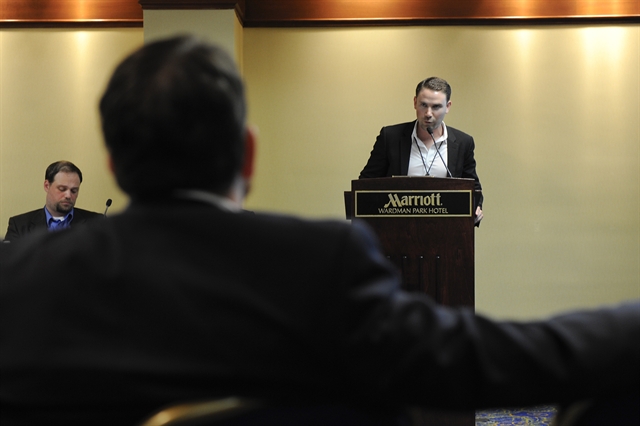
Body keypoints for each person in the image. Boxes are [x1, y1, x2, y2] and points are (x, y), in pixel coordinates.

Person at [0, 36, 638, 426]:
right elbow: (486, 361)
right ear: (248, 155)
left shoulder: (18, 277)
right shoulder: (324, 262)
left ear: (112, 163)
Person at [359, 77, 484, 224]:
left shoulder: (463, 142)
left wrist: (476, 208)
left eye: (436, 107)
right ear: (414, 102)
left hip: (445, 230)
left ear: (448, 106)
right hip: (397, 229)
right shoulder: (390, 137)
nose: (428, 113)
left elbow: (473, 187)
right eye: (423, 105)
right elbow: (365, 184)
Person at [4, 160, 103, 242]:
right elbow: (10, 259)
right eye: (62, 189)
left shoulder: (97, 222)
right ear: (47, 186)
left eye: (74, 190)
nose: (68, 195)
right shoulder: (19, 225)